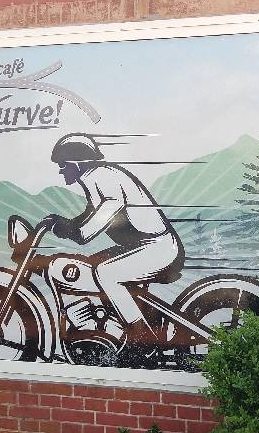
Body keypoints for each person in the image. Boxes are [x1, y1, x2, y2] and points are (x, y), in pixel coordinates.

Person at [46, 133, 184, 364]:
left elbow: (109, 208)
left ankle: (140, 338)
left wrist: (78, 233)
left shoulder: (102, 176)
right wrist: (65, 224)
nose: (61, 171)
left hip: (157, 247)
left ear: (76, 163)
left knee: (105, 272)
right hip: (145, 246)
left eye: (63, 165)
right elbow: (90, 214)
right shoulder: (95, 177)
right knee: (92, 267)